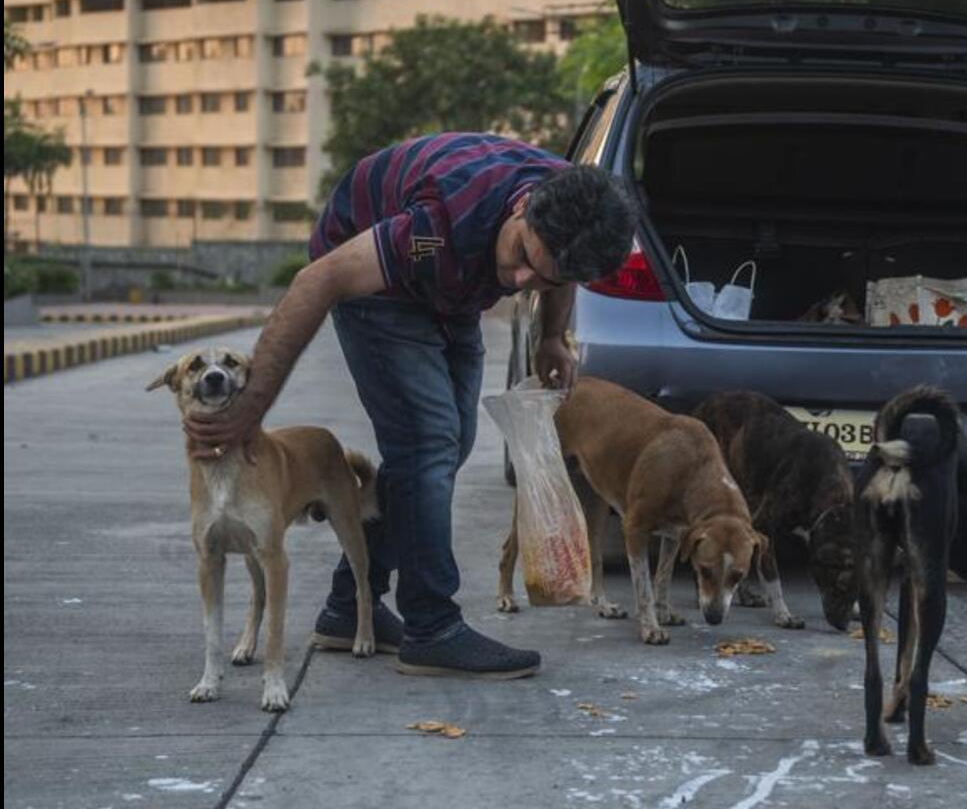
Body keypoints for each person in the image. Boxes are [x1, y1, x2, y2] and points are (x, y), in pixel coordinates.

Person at [184, 133, 635, 679]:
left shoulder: (567, 202)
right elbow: (319, 280)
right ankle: (432, 626)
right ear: (522, 206)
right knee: (427, 443)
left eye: (542, 278)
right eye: (521, 257)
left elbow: (555, 267)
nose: (521, 282)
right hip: (382, 284)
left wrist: (552, 335)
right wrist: (249, 406)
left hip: (452, 288)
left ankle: (351, 606)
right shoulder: (436, 227)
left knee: (448, 446)